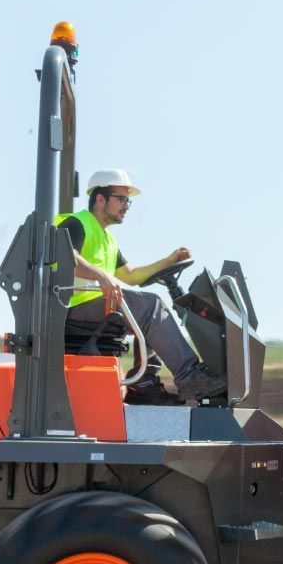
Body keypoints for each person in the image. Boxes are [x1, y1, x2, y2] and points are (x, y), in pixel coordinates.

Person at [55, 168, 227, 402]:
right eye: (122, 199)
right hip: (72, 308)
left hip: (94, 307)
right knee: (150, 307)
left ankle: (144, 383)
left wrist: (168, 261)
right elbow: (68, 256)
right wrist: (102, 277)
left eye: (128, 201)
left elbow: (131, 275)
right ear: (100, 198)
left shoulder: (107, 238)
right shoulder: (76, 223)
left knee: (146, 307)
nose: (126, 205)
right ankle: (189, 378)